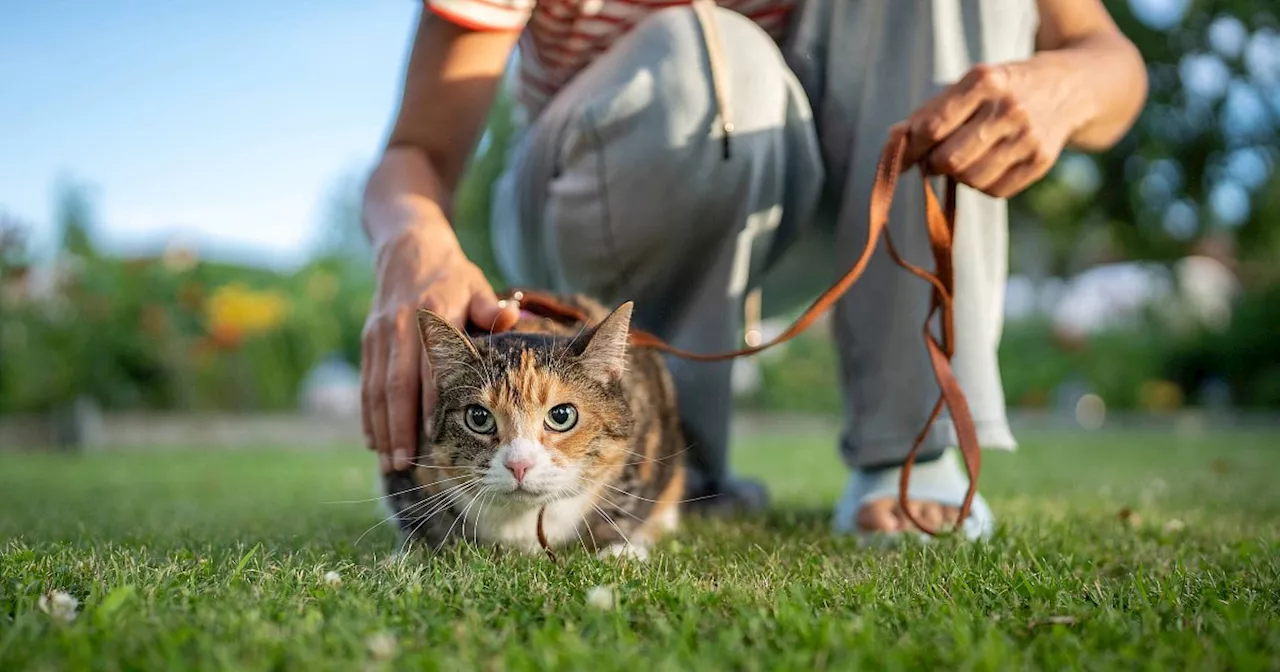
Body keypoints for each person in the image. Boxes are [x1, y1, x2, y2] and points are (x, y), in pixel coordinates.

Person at [359, 0, 1147, 538]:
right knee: (708, 60)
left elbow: (1113, 61)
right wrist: (411, 238)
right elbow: (415, 154)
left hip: (828, 209)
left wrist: (1067, 85)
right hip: (583, 232)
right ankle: (672, 467)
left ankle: (909, 454)